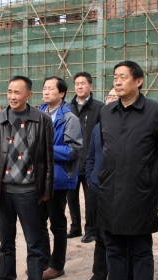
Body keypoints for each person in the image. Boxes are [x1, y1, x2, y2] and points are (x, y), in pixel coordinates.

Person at [92, 60, 158, 280]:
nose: (117, 81)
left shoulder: (155, 112)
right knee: (112, 248)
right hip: (110, 192)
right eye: (115, 76)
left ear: (138, 81)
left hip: (141, 194)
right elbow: (104, 150)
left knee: (141, 251)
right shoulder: (106, 112)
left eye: (123, 77)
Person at [0, 75, 54, 280]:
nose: (12, 96)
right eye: (9, 91)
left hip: (29, 192)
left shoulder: (42, 120)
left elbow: (48, 158)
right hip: (3, 191)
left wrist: (46, 189)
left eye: (17, 92)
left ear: (28, 95)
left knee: (34, 242)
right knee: (6, 241)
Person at [78, 89, 134, 280]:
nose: (111, 100)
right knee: (100, 236)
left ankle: (127, 279)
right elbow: (91, 155)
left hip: (121, 190)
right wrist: (91, 177)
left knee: (124, 235)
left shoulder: (129, 127)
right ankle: (99, 276)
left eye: (115, 97)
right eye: (109, 97)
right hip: (97, 188)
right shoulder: (98, 127)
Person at [38, 76, 82, 280]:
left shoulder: (69, 118)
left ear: (62, 93)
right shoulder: (38, 115)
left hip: (58, 179)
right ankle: (43, 260)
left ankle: (57, 265)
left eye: (51, 89)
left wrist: (46, 149)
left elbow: (73, 150)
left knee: (57, 224)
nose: (46, 92)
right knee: (38, 222)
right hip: (38, 179)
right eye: (44, 88)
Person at [68, 71, 104, 243]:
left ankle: (90, 230)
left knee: (91, 199)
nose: (80, 87)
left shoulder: (99, 108)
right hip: (71, 162)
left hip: (90, 162)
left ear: (91, 86)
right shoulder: (68, 108)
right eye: (77, 84)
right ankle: (75, 227)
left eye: (83, 83)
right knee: (71, 198)